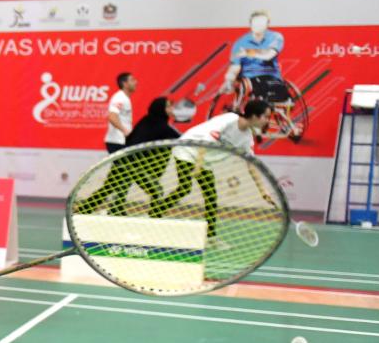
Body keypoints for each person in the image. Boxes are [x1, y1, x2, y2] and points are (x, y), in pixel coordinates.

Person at [150, 98, 274, 241]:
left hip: (203, 161)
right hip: (188, 149)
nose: (267, 121)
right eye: (266, 116)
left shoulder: (246, 138)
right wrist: (197, 165)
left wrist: (262, 190)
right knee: (185, 188)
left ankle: (211, 237)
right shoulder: (230, 119)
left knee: (211, 196)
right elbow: (206, 140)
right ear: (254, 116)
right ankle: (155, 214)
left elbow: (251, 164)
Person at [74, 96, 180, 216]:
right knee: (156, 191)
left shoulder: (147, 121)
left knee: (109, 188)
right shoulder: (160, 126)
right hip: (134, 166)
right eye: (168, 106)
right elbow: (180, 138)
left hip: (124, 160)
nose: (172, 108)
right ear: (161, 109)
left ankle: (86, 209)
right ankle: (154, 216)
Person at [222, 11, 289, 105]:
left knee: (281, 95)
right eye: (256, 23)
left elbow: (269, 55)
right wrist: (229, 80)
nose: (258, 26)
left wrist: (247, 52)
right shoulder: (240, 43)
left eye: (262, 23)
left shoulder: (276, 37)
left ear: (267, 24)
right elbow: (235, 67)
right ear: (250, 23)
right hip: (248, 79)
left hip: (270, 76)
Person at [104, 72, 137, 153]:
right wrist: (125, 131)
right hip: (117, 141)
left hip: (122, 141)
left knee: (121, 166)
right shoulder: (120, 98)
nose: (136, 82)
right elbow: (112, 116)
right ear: (125, 84)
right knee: (124, 165)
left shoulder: (125, 98)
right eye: (132, 80)